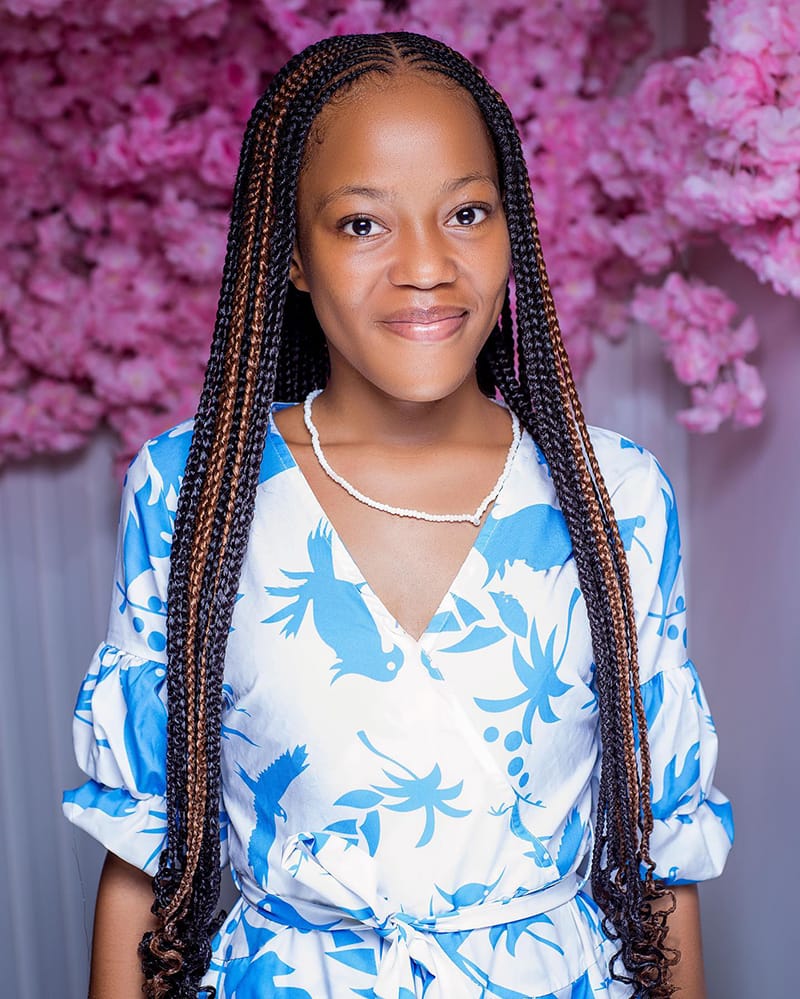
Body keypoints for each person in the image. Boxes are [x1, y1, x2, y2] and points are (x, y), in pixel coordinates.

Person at [63, 31, 733, 999]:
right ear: (292, 255)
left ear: (512, 232)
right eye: (362, 225)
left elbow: (661, 852)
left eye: (465, 212)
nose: (427, 265)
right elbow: (142, 850)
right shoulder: (192, 487)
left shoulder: (613, 494)